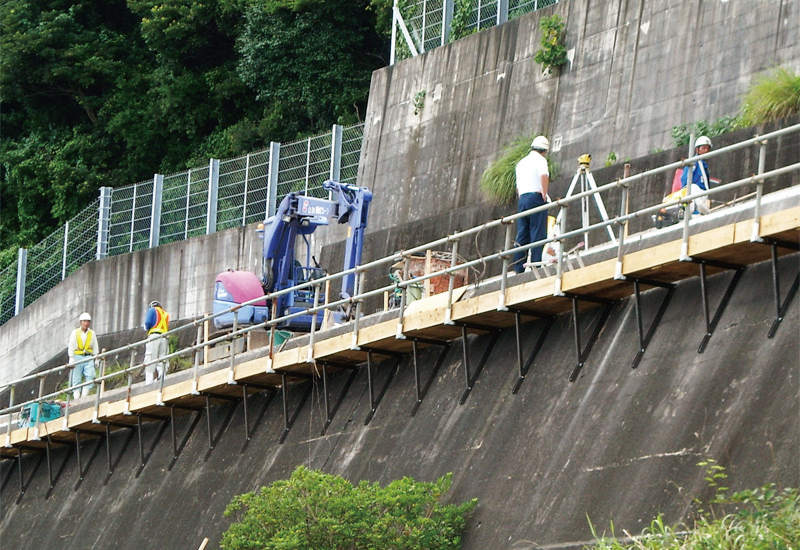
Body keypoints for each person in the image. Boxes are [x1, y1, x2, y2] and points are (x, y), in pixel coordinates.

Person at [513, 135, 550, 273]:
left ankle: (518, 267)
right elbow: (544, 176)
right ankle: (536, 266)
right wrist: (544, 194)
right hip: (536, 197)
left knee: (522, 234)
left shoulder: (521, 163)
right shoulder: (541, 160)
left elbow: (518, 186)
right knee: (538, 232)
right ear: (544, 150)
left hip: (522, 199)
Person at [67, 312, 99, 399]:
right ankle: (76, 397)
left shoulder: (92, 333)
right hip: (77, 357)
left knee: (91, 375)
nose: (86, 323)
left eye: (88, 321)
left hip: (88, 357)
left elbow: (95, 346)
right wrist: (71, 358)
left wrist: (96, 358)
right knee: (76, 377)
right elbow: (71, 345)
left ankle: (84, 395)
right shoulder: (75, 333)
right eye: (84, 321)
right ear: (81, 322)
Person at [680, 135, 713, 214]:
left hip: (703, 194)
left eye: (707, 148)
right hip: (695, 194)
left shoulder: (703, 164)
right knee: (693, 187)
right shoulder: (694, 162)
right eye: (703, 148)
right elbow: (685, 180)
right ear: (697, 150)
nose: (706, 151)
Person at [143, 300, 170, 384]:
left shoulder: (152, 310)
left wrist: (146, 327)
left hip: (154, 336)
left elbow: (148, 322)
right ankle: (162, 378)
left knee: (150, 358)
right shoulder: (165, 314)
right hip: (164, 338)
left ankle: (149, 382)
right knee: (162, 359)